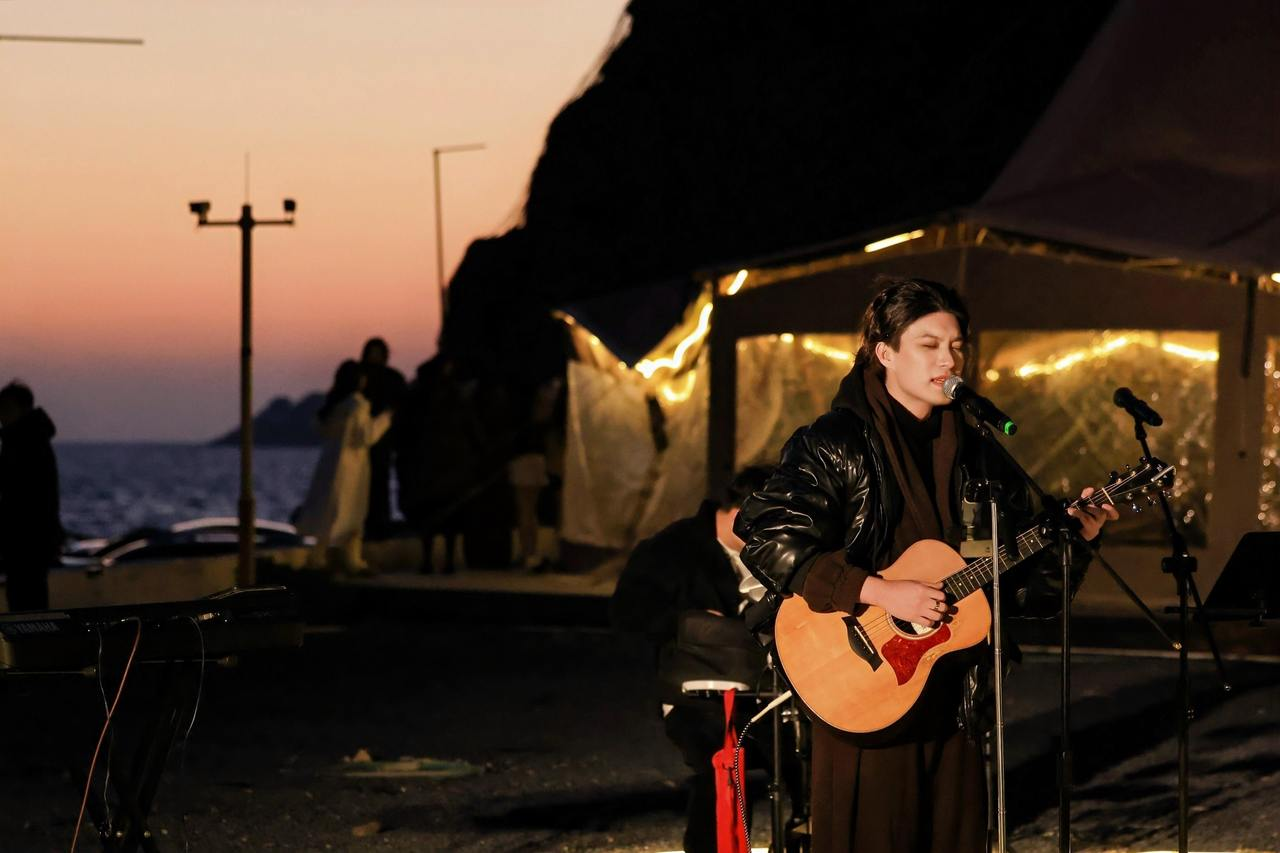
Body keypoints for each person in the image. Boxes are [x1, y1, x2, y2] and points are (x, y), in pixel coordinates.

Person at [733, 277, 1118, 853]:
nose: (948, 359)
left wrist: (1074, 542)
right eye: (929, 344)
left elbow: (1020, 595)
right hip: (859, 679)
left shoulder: (981, 454)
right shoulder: (834, 441)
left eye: (957, 345)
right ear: (884, 353)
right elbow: (766, 535)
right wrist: (880, 592)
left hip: (952, 694)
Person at [612, 465, 798, 853]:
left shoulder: (781, 553)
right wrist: (689, 623)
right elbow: (629, 613)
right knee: (722, 759)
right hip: (700, 687)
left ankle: (809, 833)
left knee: (810, 752)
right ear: (739, 513)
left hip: (776, 686)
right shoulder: (672, 548)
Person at [295, 361, 393, 574]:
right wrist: (386, 419)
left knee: (328, 514)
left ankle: (317, 559)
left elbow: (322, 430)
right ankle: (353, 561)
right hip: (352, 469)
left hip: (330, 466)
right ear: (359, 380)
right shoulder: (357, 405)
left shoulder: (335, 406)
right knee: (353, 513)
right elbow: (365, 436)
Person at [0, 381, 63, 612]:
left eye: (6, 408)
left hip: (26, 542)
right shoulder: (28, 441)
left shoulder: (23, 445)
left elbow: (22, 498)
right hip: (29, 542)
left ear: (21, 408)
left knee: (27, 606)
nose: (1, 415)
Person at [359, 338, 407, 540]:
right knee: (363, 484)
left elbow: (403, 407)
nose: (375, 356)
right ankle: (366, 523)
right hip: (363, 441)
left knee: (382, 481)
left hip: (386, 440)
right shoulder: (361, 378)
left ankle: (381, 522)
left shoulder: (393, 378)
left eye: (378, 352)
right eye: (373, 352)